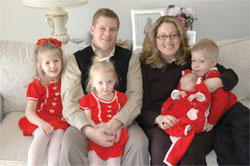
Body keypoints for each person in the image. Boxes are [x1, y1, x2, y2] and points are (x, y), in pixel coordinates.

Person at [136, 15, 238, 165]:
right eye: (162, 36)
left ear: (181, 37)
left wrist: (215, 82)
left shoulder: (191, 59)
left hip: (195, 118)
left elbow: (231, 76)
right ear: (154, 38)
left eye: (173, 35)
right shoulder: (143, 65)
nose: (168, 41)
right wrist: (158, 119)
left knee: (191, 151)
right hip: (161, 121)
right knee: (162, 152)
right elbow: (139, 107)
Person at [59, 8, 149, 166]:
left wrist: (117, 122)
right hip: (86, 121)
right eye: (102, 28)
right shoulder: (76, 60)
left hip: (122, 120)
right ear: (92, 29)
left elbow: (135, 96)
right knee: (69, 143)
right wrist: (89, 130)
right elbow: (70, 103)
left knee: (139, 142)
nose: (107, 34)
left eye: (112, 29)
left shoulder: (129, 58)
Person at [191, 38, 249, 165]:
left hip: (234, 112)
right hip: (220, 118)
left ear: (213, 63)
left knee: (243, 141)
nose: (195, 65)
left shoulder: (212, 75)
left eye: (201, 61)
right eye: (193, 61)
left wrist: (211, 121)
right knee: (222, 145)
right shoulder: (197, 77)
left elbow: (221, 100)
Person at [18, 38, 68, 166]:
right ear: (40, 65)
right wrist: (42, 124)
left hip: (58, 120)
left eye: (56, 61)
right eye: (47, 63)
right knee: (42, 134)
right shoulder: (37, 85)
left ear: (62, 61)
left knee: (58, 137)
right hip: (39, 118)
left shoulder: (65, 80)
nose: (53, 66)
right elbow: (29, 112)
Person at [80, 56, 128, 165]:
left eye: (109, 82)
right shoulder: (89, 99)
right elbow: (87, 118)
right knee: (95, 163)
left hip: (114, 137)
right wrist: (95, 129)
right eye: (100, 83)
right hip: (96, 137)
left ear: (115, 79)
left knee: (114, 163)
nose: (105, 86)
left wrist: (119, 130)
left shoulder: (120, 98)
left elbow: (124, 117)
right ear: (92, 83)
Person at [159, 71, 211, 165]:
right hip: (178, 116)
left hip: (190, 117)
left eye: (186, 84)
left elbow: (204, 98)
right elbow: (173, 96)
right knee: (173, 121)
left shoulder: (199, 92)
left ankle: (185, 128)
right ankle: (180, 130)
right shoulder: (181, 92)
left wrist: (196, 95)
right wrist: (176, 94)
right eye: (182, 84)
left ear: (195, 84)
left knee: (193, 116)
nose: (183, 86)